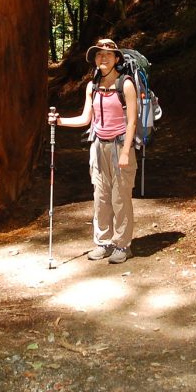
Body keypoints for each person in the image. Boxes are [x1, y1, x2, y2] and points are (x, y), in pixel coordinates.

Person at [48, 38, 138, 264]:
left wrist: (126, 151)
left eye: (108, 54)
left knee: (121, 197)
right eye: (99, 54)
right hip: (97, 146)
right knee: (101, 196)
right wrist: (59, 122)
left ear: (117, 58)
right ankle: (103, 241)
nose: (103, 57)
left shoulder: (125, 84)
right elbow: (86, 119)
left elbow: (132, 122)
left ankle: (122, 245)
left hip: (119, 146)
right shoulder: (92, 86)